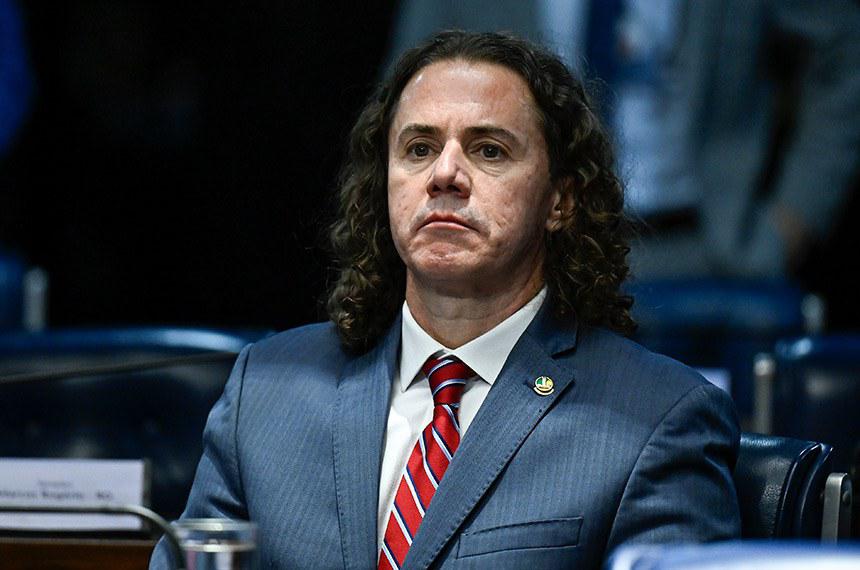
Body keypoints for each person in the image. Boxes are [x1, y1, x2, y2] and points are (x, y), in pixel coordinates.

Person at [150, 31, 739, 569]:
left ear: (560, 200)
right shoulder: (265, 394)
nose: (444, 174)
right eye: (418, 148)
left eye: (489, 150)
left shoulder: (658, 418)